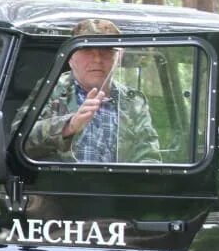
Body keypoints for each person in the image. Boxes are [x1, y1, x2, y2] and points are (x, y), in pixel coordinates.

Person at [25, 18, 160, 163]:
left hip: (120, 184)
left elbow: (149, 158)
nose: (97, 59)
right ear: (70, 57)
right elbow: (20, 143)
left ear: (119, 56)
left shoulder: (133, 102)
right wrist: (68, 126)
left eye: (106, 50)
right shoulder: (51, 89)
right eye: (87, 49)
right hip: (59, 184)